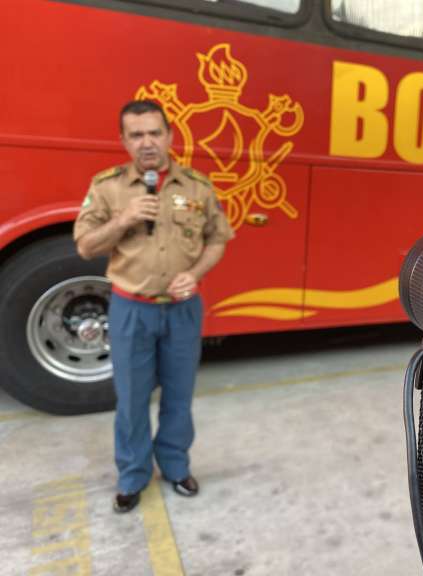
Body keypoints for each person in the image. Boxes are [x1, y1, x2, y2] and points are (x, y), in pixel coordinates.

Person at [74, 100, 234, 513]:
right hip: (131, 311)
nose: (147, 142)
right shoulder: (107, 186)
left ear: (169, 136)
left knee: (179, 397)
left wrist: (195, 273)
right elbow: (86, 245)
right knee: (131, 399)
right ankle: (132, 476)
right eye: (136, 135)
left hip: (183, 310)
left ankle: (176, 467)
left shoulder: (197, 185)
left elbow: (218, 238)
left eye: (154, 133)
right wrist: (123, 219)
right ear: (123, 141)